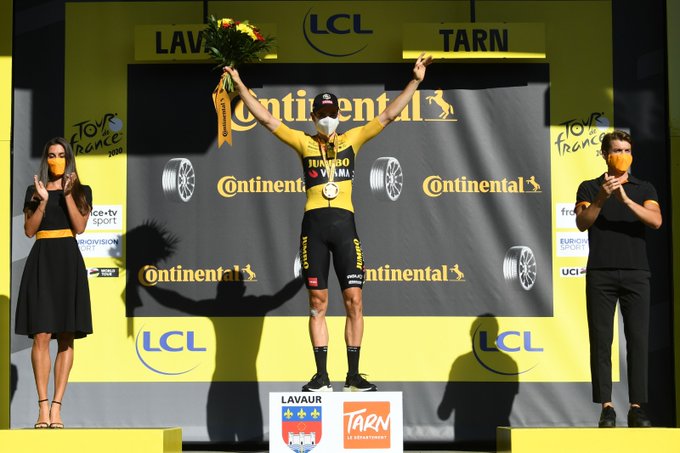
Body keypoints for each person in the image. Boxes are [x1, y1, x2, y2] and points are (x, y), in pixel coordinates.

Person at [224, 53, 432, 392]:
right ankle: (321, 376)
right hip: (315, 228)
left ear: (340, 114)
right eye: (321, 114)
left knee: (355, 300)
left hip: (345, 227)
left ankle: (353, 375)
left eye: (332, 113)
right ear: (313, 116)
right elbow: (265, 119)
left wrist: (416, 81)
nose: (328, 119)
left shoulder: (354, 139)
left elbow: (390, 114)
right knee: (317, 304)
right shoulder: (303, 143)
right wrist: (240, 85)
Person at [574, 130, 662, 427]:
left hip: (637, 273)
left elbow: (656, 220)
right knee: (601, 340)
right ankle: (607, 407)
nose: (622, 154)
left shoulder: (643, 186)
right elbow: (582, 223)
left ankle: (636, 407)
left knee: (637, 339)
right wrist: (602, 197)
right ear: (604, 154)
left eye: (626, 149)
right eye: (616, 150)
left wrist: (625, 200)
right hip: (601, 272)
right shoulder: (589, 187)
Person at [15, 137, 93, 428]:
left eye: (61, 155)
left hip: (68, 262)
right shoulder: (33, 191)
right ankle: (42, 407)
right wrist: (43, 202)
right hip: (42, 261)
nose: (56, 159)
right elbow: (29, 230)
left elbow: (80, 227)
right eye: (51, 155)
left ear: (69, 158)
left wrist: (69, 195)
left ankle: (58, 407)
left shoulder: (82, 190)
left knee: (66, 335)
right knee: (41, 335)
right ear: (45, 159)